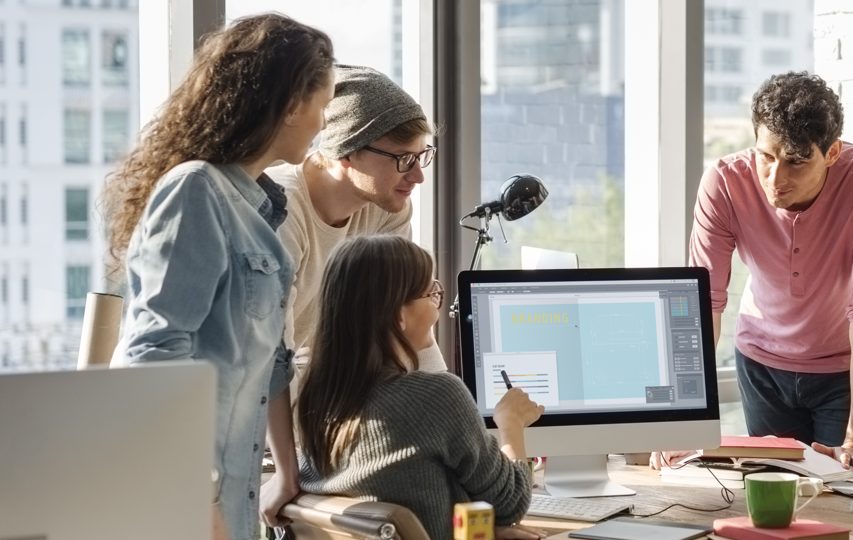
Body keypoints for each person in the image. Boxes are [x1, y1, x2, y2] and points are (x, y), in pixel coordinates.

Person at [103, 14, 334, 540]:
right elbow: (153, 355)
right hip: (182, 506)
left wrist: (287, 472)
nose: (323, 123)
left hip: (232, 500)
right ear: (291, 104)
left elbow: (272, 364)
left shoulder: (263, 208)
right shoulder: (195, 191)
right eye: (322, 105)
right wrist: (190, 496)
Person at [685, 71, 853, 475]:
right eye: (766, 156)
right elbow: (703, 307)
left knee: (848, 490)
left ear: (832, 153)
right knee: (771, 491)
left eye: (796, 161)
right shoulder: (724, 183)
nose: (775, 179)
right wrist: (683, 425)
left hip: (846, 370)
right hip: (762, 366)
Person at [260, 64, 441, 527]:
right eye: (403, 159)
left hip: (316, 401)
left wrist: (451, 419)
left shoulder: (388, 209)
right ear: (345, 152)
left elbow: (409, 321)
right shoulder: (281, 211)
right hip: (245, 407)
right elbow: (270, 355)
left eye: (422, 156)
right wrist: (286, 471)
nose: (417, 176)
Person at [295, 235, 546, 540]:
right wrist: (511, 424)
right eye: (432, 294)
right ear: (398, 315)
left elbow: (401, 491)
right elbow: (511, 503)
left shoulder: (316, 401)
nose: (437, 307)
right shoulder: (436, 397)